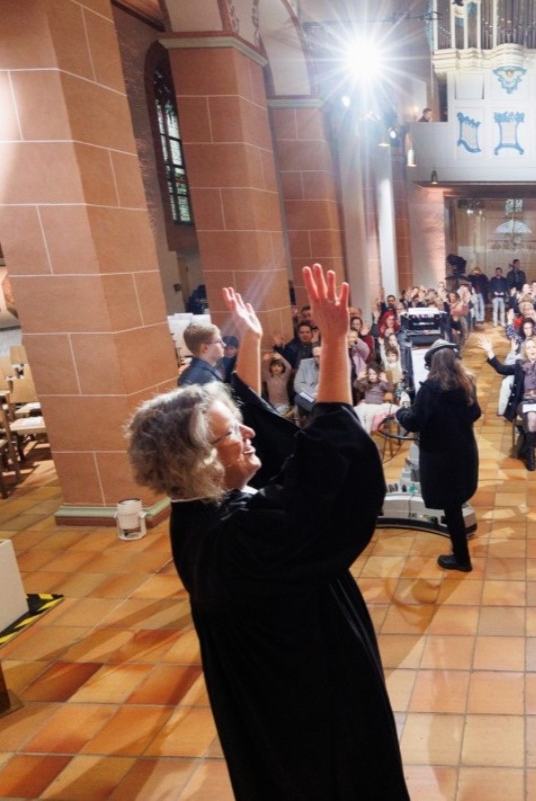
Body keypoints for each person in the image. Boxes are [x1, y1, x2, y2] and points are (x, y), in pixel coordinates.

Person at [126, 269, 408, 801]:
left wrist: (251, 342)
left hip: (292, 679)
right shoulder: (236, 539)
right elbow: (321, 469)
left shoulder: (203, 508)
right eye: (232, 432)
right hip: (308, 705)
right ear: (201, 461)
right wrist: (334, 344)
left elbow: (269, 446)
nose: (249, 431)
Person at [395, 338, 482, 572]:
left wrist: (401, 412)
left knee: (451, 508)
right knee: (455, 503)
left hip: (441, 458)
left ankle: (462, 559)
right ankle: (460, 552)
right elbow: (475, 413)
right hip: (463, 452)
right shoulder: (466, 384)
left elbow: (414, 422)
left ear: (431, 363)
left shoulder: (430, 390)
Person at [480, 334, 536, 472]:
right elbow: (502, 369)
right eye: (528, 347)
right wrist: (490, 352)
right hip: (524, 402)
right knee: (532, 416)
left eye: (533, 347)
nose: (531, 350)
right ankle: (530, 454)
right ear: (525, 351)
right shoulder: (520, 365)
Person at [178, 322, 224, 386]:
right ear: (205, 348)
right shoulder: (208, 380)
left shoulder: (186, 373)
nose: (224, 345)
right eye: (219, 341)